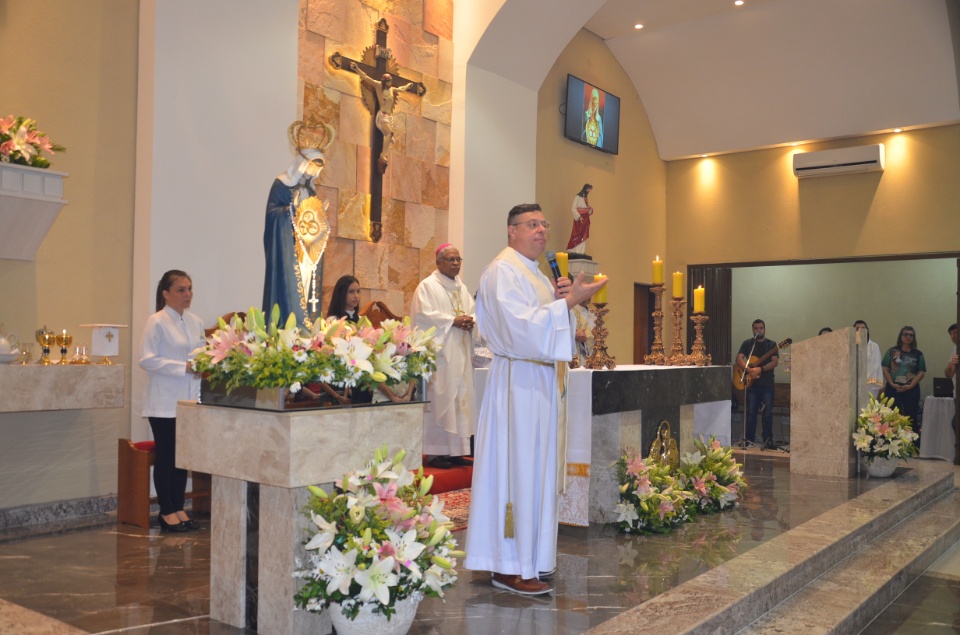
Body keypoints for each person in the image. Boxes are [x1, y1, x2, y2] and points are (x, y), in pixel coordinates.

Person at [465, 203, 606, 596]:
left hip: (540, 385)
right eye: (532, 224)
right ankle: (507, 564)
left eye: (544, 224)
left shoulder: (539, 276)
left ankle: (535, 558)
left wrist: (565, 304)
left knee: (537, 471)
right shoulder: (501, 272)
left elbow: (550, 325)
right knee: (518, 470)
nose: (542, 230)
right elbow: (520, 330)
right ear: (511, 231)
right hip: (518, 385)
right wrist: (568, 304)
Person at [139, 270, 206, 533]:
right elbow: (147, 359)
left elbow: (200, 354)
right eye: (181, 290)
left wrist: (203, 365)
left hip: (190, 400)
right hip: (165, 402)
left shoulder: (195, 321)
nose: (187, 294)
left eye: (189, 289)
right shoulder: (156, 321)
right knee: (168, 456)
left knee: (183, 458)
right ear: (166, 293)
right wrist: (184, 367)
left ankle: (179, 507)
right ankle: (166, 511)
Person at [262, 122, 334, 329]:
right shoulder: (282, 184)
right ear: (303, 163)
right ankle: (291, 326)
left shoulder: (311, 191)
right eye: (313, 165)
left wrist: (322, 219)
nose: (315, 171)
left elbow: (312, 219)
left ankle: (307, 326)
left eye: (319, 167)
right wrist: (289, 212)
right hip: (288, 249)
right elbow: (272, 214)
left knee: (307, 285)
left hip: (307, 251)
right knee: (291, 286)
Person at [411, 244, 476, 469]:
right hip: (441, 356)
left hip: (460, 352)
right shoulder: (427, 287)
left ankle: (456, 451)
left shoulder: (462, 287)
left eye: (458, 259)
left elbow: (472, 310)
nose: (456, 263)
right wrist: (452, 321)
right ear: (438, 262)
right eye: (450, 259)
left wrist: (471, 321)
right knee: (441, 399)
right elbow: (423, 316)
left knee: (460, 400)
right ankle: (436, 452)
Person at [350, 62, 417, 172]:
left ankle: (383, 155)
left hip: (390, 117)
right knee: (390, 134)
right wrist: (356, 69)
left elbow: (400, 89)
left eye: (390, 81)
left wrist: (408, 86)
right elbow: (366, 78)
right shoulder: (378, 86)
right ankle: (382, 156)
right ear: (384, 81)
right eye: (388, 81)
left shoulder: (391, 89)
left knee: (390, 136)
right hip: (383, 115)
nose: (390, 83)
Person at [735, 319, 779, 449]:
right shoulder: (748, 344)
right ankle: (749, 438)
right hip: (751, 384)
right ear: (752, 330)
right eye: (756, 328)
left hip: (767, 384)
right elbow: (739, 358)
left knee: (767, 413)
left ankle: (768, 439)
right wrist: (749, 370)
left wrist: (761, 369)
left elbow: (775, 362)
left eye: (761, 328)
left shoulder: (772, 345)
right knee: (751, 412)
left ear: (764, 329)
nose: (758, 330)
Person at [882, 326, 926, 431]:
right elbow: (885, 369)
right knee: (891, 416)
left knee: (911, 417)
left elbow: (921, 372)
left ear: (913, 338)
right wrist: (892, 384)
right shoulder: (891, 351)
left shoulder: (918, 354)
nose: (908, 337)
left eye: (911, 335)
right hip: (893, 387)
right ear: (901, 336)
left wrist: (910, 386)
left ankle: (912, 444)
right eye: (905, 334)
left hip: (911, 388)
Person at [854, 320, 883, 399]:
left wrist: (861, 383)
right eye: (857, 329)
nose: (860, 331)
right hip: (853, 386)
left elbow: (874, 366)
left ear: (867, 330)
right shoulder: (850, 347)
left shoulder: (873, 347)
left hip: (869, 385)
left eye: (863, 329)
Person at [566, 183, 593, 254]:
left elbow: (586, 208)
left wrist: (589, 209)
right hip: (580, 219)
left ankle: (581, 251)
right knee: (577, 233)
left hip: (585, 218)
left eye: (589, 191)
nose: (588, 192)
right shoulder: (577, 197)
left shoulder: (585, 198)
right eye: (588, 190)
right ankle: (573, 249)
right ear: (585, 189)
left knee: (583, 234)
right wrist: (579, 216)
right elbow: (573, 208)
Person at [945, 322, 957, 431]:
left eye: (955, 333)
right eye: (951, 334)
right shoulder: (955, 350)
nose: (953, 336)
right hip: (956, 393)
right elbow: (948, 374)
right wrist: (952, 365)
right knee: (955, 424)